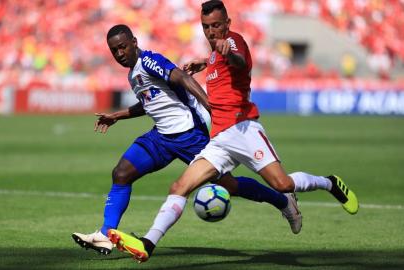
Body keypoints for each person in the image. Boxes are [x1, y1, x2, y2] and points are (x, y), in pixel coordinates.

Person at [107, 0, 359, 263]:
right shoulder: (215, 54)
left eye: (216, 25)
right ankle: (148, 244)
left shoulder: (234, 42)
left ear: (227, 24)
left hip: (244, 129)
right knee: (180, 186)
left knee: (283, 184)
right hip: (220, 139)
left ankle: (329, 182)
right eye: (206, 26)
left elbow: (239, 62)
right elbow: (219, 60)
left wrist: (228, 53)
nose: (211, 31)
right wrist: (206, 61)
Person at [72, 24, 302, 255]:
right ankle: (105, 234)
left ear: (134, 42)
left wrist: (212, 108)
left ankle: (283, 202)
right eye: (114, 50)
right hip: (161, 137)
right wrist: (116, 116)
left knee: (229, 185)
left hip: (189, 134)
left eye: (122, 47)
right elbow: (150, 102)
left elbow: (182, 78)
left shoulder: (150, 61)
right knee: (121, 173)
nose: (120, 53)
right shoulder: (133, 73)